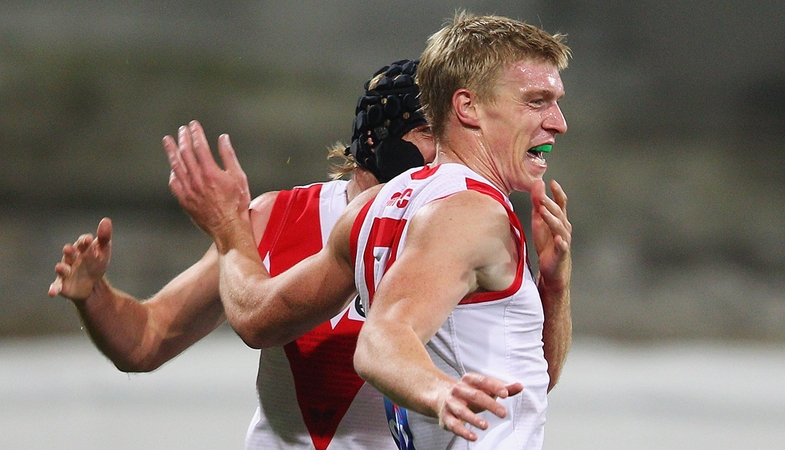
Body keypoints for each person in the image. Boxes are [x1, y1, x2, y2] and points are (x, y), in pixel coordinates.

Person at [164, 12, 573, 450]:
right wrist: (439, 393)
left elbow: (257, 318)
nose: (558, 121)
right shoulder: (470, 214)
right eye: (536, 101)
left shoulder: (377, 206)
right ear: (467, 106)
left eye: (555, 101)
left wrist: (553, 285)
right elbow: (381, 340)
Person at [48, 59, 435, 450]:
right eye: (429, 134)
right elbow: (146, 339)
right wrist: (92, 294)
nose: (447, 155)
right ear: (376, 138)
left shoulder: (459, 227)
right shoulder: (277, 218)